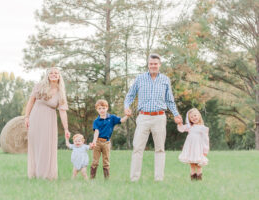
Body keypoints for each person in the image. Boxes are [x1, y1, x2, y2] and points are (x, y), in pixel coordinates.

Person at [124, 53, 183, 182]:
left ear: (159, 65)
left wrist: (176, 114)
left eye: (155, 64)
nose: (153, 66)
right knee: (137, 148)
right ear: (148, 64)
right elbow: (130, 95)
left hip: (159, 117)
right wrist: (126, 106)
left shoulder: (165, 80)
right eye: (151, 64)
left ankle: (159, 179)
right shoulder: (140, 78)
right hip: (143, 117)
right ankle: (134, 179)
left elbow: (170, 100)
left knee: (160, 149)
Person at [24, 67, 70, 180]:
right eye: (51, 73)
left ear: (59, 76)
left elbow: (63, 112)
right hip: (35, 116)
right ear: (47, 75)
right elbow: (31, 101)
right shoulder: (39, 86)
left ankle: (45, 175)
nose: (53, 74)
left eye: (56, 73)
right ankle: (34, 173)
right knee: (36, 144)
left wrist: (66, 129)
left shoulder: (61, 93)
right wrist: (26, 117)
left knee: (46, 145)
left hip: (49, 120)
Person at [90, 99, 129, 179]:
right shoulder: (96, 121)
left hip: (106, 143)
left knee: (106, 161)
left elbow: (121, 120)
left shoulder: (112, 118)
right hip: (97, 142)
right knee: (95, 161)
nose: (102, 110)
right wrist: (94, 142)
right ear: (97, 109)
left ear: (107, 108)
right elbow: (96, 132)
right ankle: (92, 178)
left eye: (103, 108)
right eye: (99, 108)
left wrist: (127, 116)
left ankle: (106, 179)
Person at [177, 108, 210, 181]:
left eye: (195, 115)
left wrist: (205, 150)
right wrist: (179, 123)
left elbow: (205, 140)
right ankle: (193, 179)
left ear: (199, 115)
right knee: (192, 164)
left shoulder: (203, 128)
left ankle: (199, 178)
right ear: (189, 119)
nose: (194, 118)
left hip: (198, 148)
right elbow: (181, 129)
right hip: (190, 148)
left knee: (198, 164)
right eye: (191, 117)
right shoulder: (189, 127)